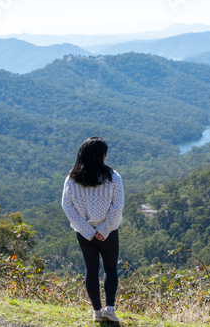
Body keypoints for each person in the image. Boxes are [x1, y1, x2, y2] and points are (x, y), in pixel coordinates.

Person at [61, 136, 124, 322]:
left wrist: (87, 230)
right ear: (101, 155)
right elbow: (117, 206)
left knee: (91, 269)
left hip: (84, 234)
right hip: (109, 233)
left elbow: (67, 206)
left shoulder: (72, 178)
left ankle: (97, 312)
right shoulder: (113, 177)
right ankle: (110, 309)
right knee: (110, 269)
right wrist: (103, 230)